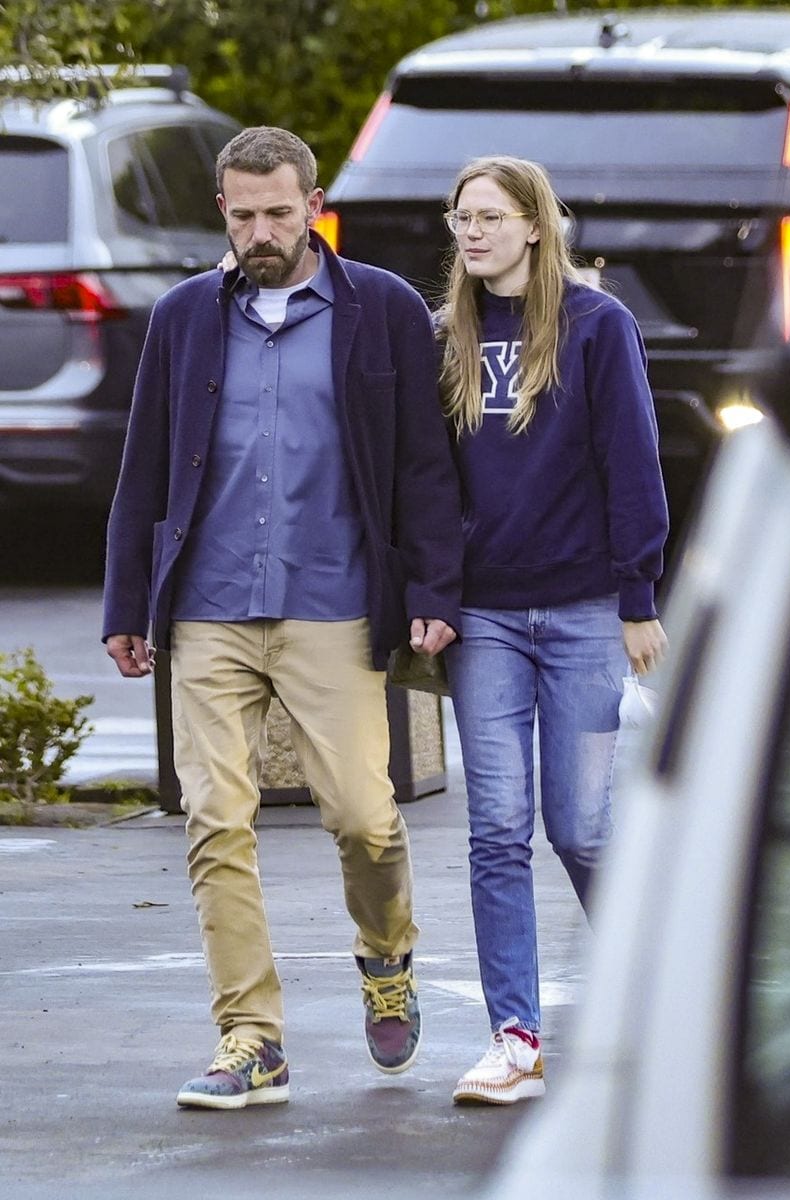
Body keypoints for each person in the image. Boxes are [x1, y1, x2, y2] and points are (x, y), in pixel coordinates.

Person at [103, 126, 462, 1110]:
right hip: (207, 610)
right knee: (216, 819)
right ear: (222, 208)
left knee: (363, 816)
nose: (261, 230)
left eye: (278, 211)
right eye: (243, 212)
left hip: (333, 606)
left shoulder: (381, 310)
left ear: (311, 207)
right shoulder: (182, 318)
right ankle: (249, 1037)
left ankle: (386, 959)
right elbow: (144, 468)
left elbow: (422, 469)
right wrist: (128, 603)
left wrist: (432, 594)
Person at [437, 156, 669, 1105]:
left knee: (580, 827)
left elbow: (632, 456)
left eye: (490, 216)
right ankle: (515, 1039)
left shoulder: (595, 325)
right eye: (461, 219)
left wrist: (638, 595)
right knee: (495, 831)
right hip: (483, 614)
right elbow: (427, 478)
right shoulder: (442, 332)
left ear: (536, 224)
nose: (473, 233)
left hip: (579, 611)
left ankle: (655, 1004)